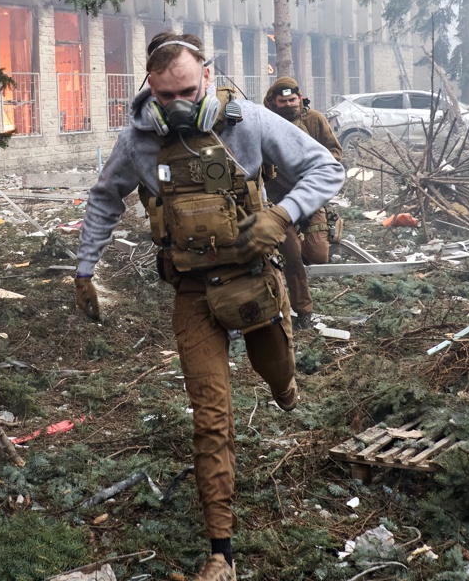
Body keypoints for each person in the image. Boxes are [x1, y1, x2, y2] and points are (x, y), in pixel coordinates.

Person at [74, 34, 344, 581]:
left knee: (278, 375)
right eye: (166, 94)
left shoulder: (248, 123)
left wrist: (282, 215)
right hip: (192, 292)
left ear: (207, 74)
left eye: (188, 90)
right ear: (150, 85)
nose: (177, 105)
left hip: (253, 284)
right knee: (211, 417)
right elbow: (105, 198)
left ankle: (285, 384)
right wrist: (84, 268)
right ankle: (221, 553)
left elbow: (326, 167)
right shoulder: (138, 142)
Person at [263, 77, 343, 330]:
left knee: (318, 257)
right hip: (280, 204)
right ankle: (304, 313)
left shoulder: (315, 120)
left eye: (292, 100)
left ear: (300, 97)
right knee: (293, 259)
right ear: (274, 103)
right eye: (283, 101)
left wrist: (317, 169)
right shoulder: (265, 124)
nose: (289, 105)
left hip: (310, 198)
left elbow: (335, 152)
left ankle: (326, 225)